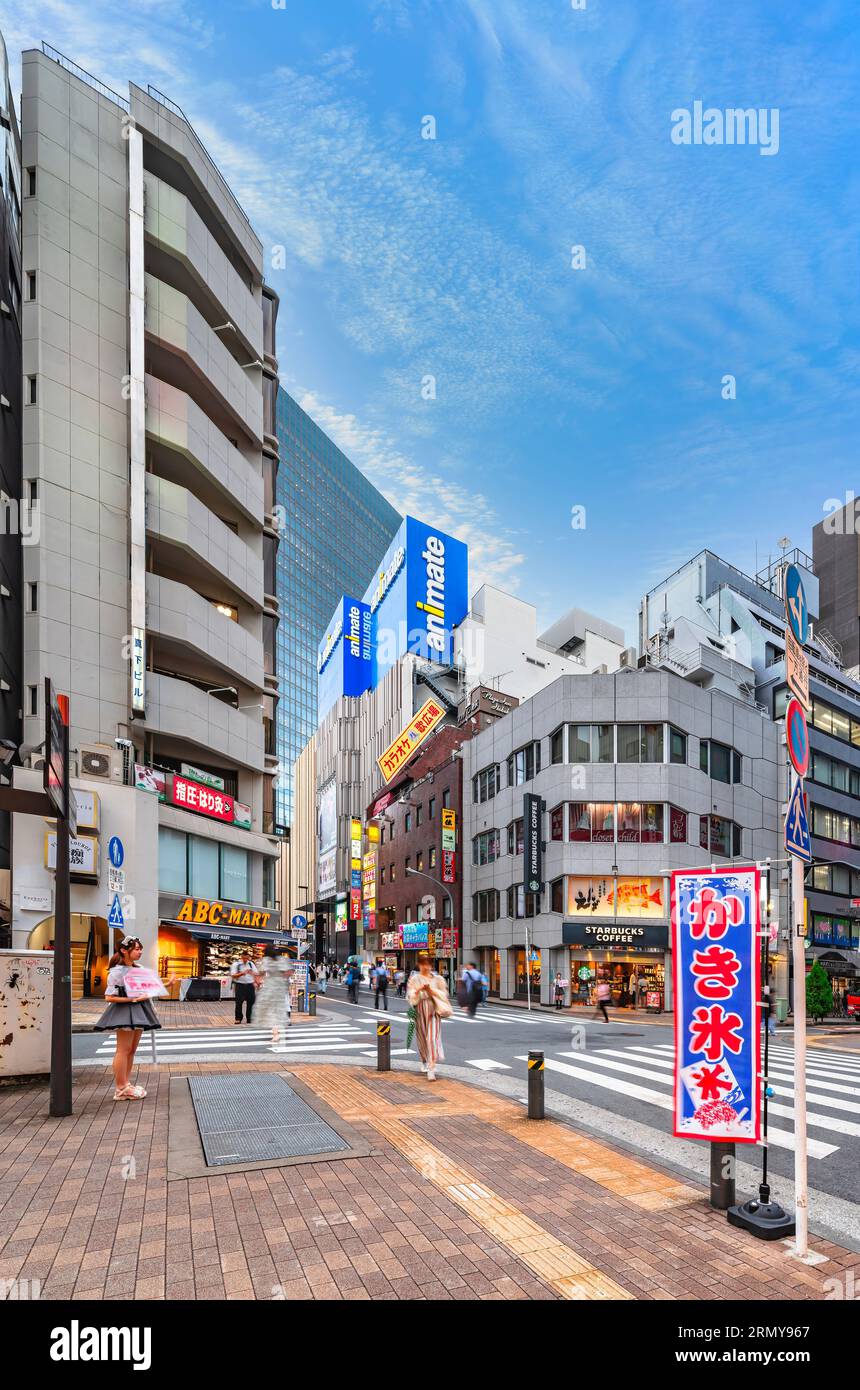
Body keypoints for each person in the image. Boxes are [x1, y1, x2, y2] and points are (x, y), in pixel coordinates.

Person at [94, 936, 171, 1102]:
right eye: (136, 949)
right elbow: (109, 997)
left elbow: (150, 987)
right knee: (123, 1049)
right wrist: (133, 999)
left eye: (140, 948)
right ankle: (120, 1088)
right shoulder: (116, 972)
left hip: (138, 1010)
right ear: (124, 950)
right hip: (125, 1010)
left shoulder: (138, 968)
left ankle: (126, 1084)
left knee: (131, 1050)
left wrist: (169, 984)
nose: (140, 952)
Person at [407, 953, 452, 1081]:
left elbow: (444, 995)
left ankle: (432, 1067)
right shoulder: (415, 979)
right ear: (419, 965)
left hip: (434, 1010)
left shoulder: (438, 980)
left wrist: (431, 991)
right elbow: (410, 995)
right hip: (420, 1010)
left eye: (427, 964)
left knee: (432, 1038)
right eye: (422, 964)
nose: (425, 967)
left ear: (431, 965)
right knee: (421, 1038)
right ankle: (424, 1061)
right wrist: (420, 989)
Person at [254, 945, 292, 1046]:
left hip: (270, 987)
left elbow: (260, 974)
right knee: (278, 1009)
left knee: (271, 1011)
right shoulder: (282, 960)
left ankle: (275, 1033)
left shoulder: (266, 960)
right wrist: (282, 978)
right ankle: (278, 1030)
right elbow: (289, 971)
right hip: (280, 987)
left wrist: (257, 983)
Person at [230, 949, 260, 1024]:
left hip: (250, 985)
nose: (246, 960)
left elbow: (256, 974)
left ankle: (249, 1018)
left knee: (251, 1002)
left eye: (247, 958)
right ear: (241, 957)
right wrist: (242, 973)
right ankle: (238, 1018)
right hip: (240, 985)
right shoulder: (236, 964)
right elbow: (233, 975)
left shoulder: (251, 964)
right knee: (239, 1003)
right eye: (244, 958)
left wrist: (256, 980)